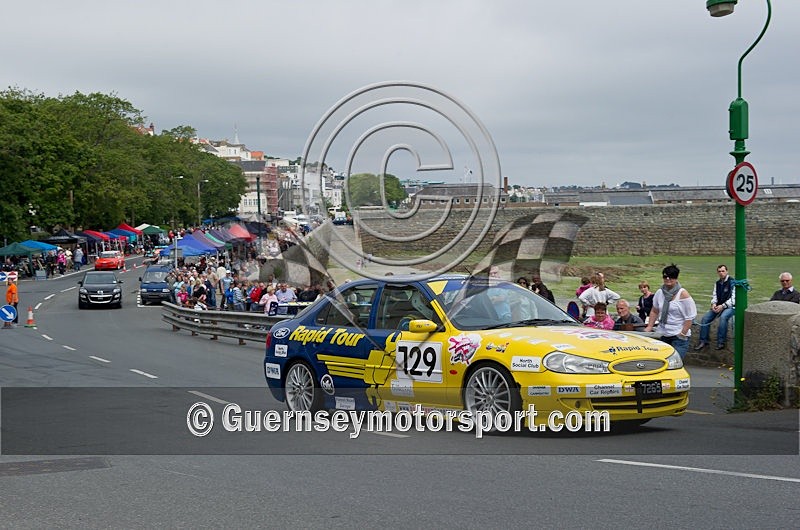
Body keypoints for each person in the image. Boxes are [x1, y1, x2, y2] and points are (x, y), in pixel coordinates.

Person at [644, 264, 697, 360]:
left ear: (676, 278)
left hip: (678, 336)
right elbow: (654, 310)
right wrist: (649, 326)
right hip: (663, 334)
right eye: (665, 276)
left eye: (671, 276)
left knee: (675, 363)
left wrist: (683, 334)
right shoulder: (660, 292)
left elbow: (689, 317)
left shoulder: (683, 295)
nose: (668, 279)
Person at [695, 264, 735, 351]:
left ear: (727, 272)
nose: (721, 273)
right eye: (719, 271)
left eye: (723, 271)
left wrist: (723, 306)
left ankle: (721, 342)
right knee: (705, 318)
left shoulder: (732, 282)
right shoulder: (717, 283)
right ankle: (703, 341)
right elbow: (715, 295)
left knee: (724, 317)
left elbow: (733, 299)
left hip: (730, 307)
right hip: (719, 305)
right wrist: (713, 304)